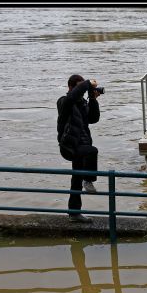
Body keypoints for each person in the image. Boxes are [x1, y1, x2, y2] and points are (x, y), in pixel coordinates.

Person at [57, 74, 101, 223]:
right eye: (79, 88)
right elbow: (71, 98)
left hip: (82, 145)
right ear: (70, 87)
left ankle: (74, 213)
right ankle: (88, 180)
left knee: (76, 179)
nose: (82, 92)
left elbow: (93, 119)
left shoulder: (82, 103)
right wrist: (88, 83)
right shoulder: (64, 102)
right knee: (93, 151)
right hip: (69, 147)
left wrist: (93, 99)